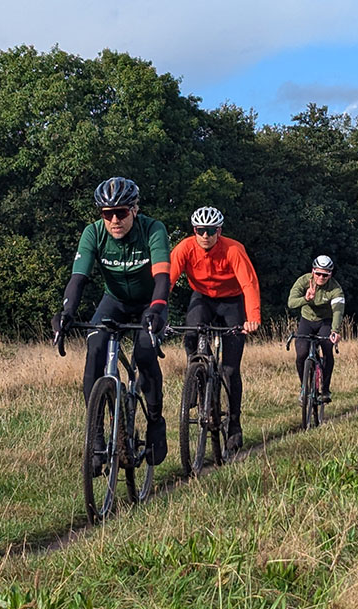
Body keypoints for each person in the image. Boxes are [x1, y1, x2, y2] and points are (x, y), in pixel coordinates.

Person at [52, 176, 171, 465]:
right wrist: (66, 313)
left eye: (121, 212)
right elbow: (78, 279)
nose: (115, 219)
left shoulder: (153, 229)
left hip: (149, 302)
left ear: (135, 209)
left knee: (145, 352)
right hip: (114, 301)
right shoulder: (93, 233)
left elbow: (163, 277)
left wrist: (156, 308)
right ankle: (95, 437)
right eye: (107, 214)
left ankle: (155, 420)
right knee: (94, 349)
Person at [169, 206, 261, 451]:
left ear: (219, 231)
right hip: (202, 297)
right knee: (190, 335)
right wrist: (155, 310)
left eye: (211, 231)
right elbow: (167, 279)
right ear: (194, 231)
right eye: (201, 230)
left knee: (230, 369)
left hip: (231, 300)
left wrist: (252, 317)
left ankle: (234, 425)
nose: (205, 235)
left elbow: (249, 283)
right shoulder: (185, 248)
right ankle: (198, 377)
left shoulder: (233, 249)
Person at [287, 255, 345, 403]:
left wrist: (335, 331)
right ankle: (304, 387)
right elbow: (291, 303)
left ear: (330, 274)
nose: (321, 277)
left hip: (325, 322)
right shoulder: (303, 281)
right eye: (318, 273)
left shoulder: (335, 289)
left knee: (327, 348)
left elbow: (338, 311)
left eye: (325, 274)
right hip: (306, 321)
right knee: (301, 353)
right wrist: (305, 299)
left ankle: (325, 389)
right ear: (313, 271)